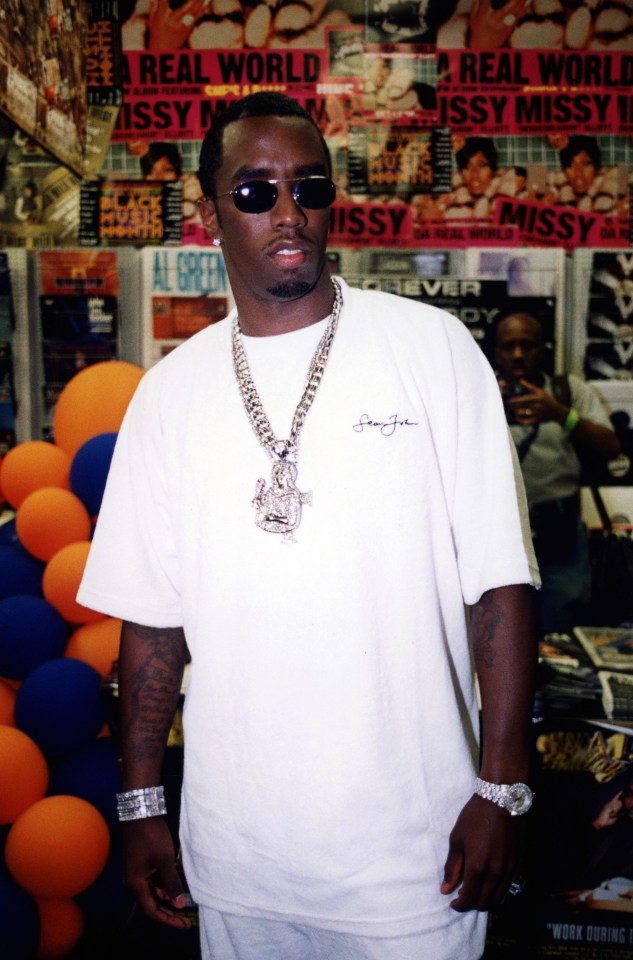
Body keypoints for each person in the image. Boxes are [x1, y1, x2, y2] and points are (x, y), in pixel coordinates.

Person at [78, 92, 539, 960]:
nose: (288, 212)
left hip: (417, 860)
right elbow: (150, 624)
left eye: (309, 187)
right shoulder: (168, 396)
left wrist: (502, 786)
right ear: (207, 211)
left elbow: (499, 584)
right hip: (242, 866)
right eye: (253, 191)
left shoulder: (431, 349)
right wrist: (140, 805)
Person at [495, 312, 621, 636]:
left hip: (560, 540)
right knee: (503, 636)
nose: (519, 354)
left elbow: (611, 446)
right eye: (510, 347)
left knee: (564, 637)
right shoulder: (481, 393)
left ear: (543, 349)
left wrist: (560, 414)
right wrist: (489, 407)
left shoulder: (567, 391)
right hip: (501, 540)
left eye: (528, 345)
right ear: (497, 352)